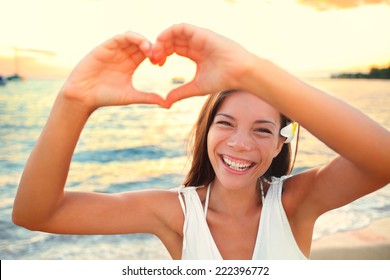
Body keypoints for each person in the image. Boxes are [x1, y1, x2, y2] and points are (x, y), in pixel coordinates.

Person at [12, 23, 390, 260]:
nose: (240, 144)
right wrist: (73, 102)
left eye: (262, 129)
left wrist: (251, 69)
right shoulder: (175, 213)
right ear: (206, 131)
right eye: (225, 123)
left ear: (280, 143)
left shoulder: (296, 203)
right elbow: (36, 213)